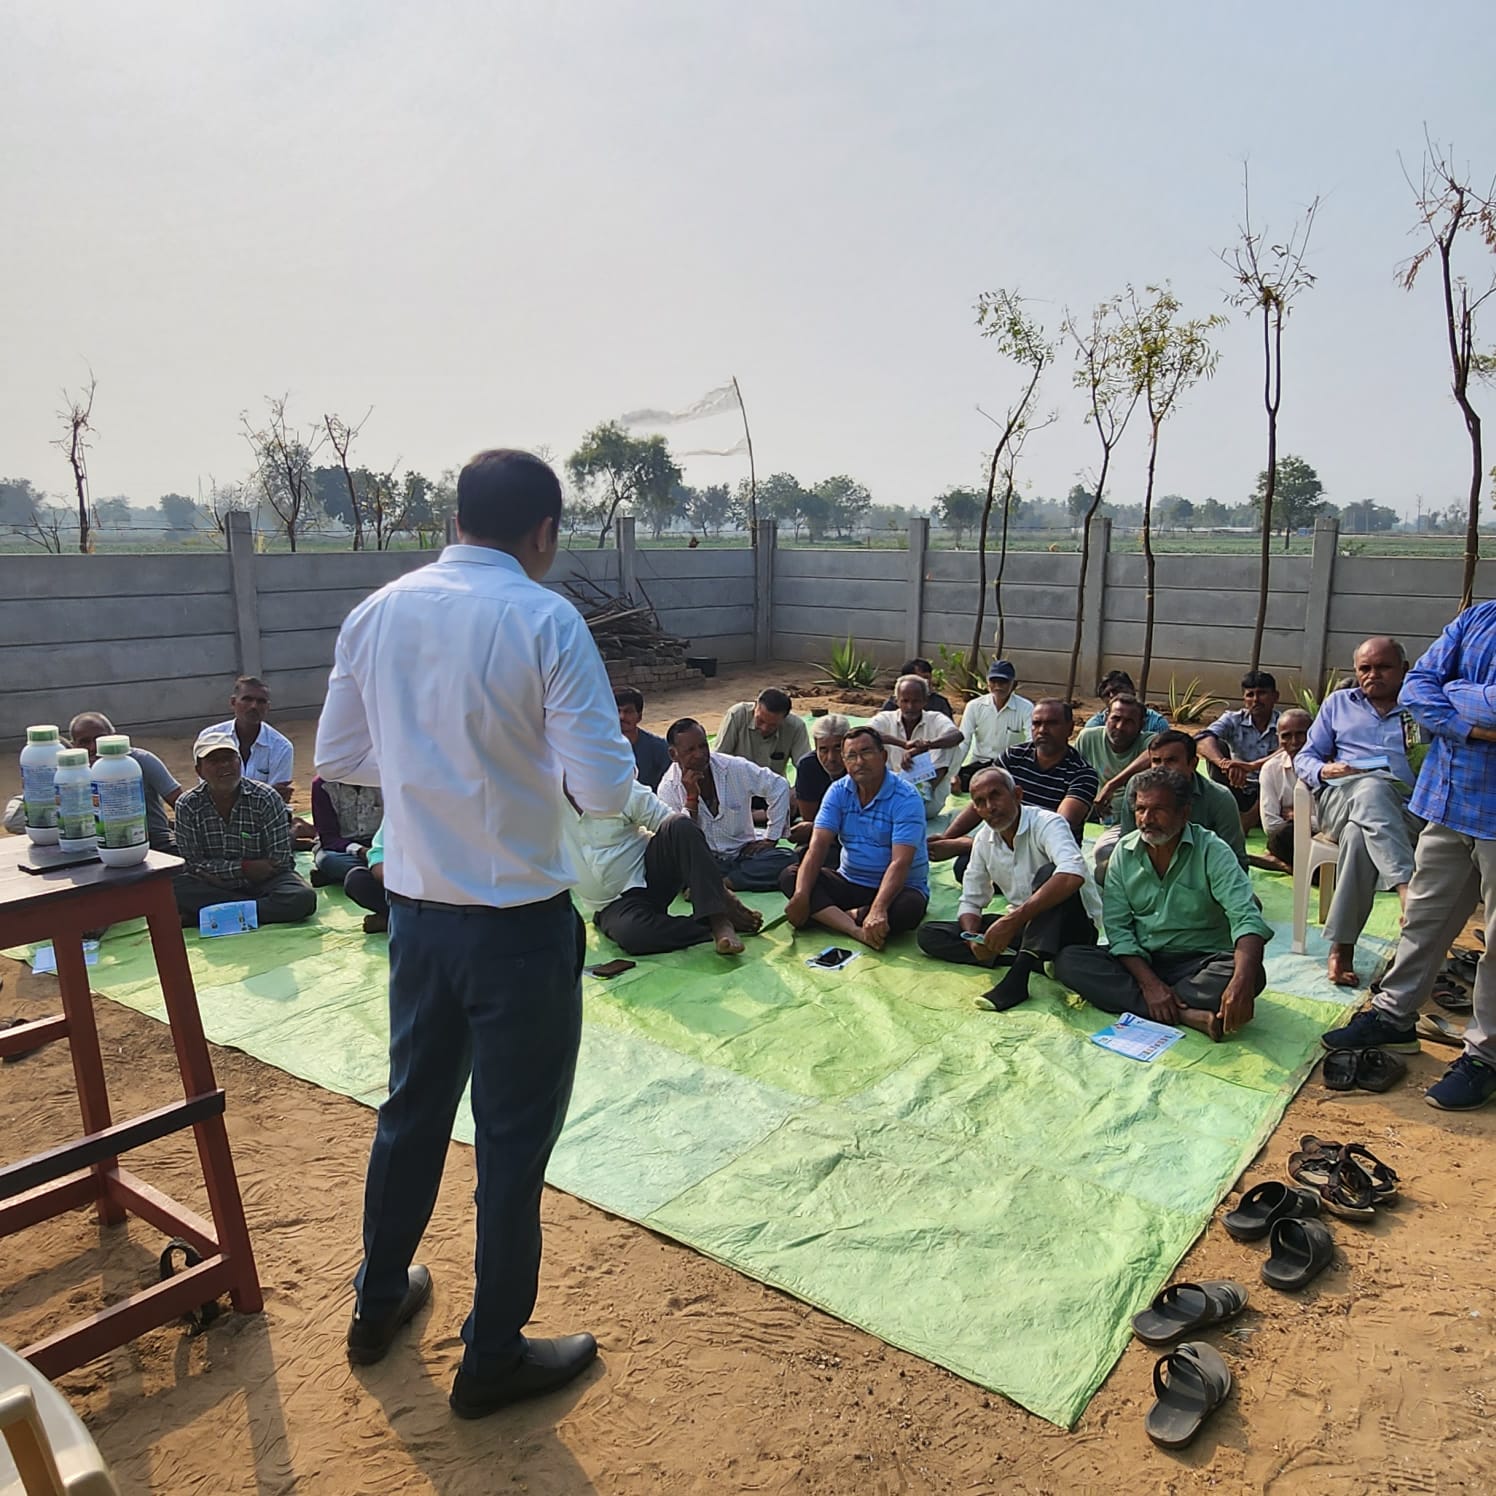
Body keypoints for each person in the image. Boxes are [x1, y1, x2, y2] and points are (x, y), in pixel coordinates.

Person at [315, 448, 638, 1417]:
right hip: (518, 930)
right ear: (543, 531)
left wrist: (433, 760)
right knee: (508, 1143)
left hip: (415, 918)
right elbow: (605, 787)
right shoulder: (545, 617)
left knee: (410, 1109)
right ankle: (490, 1352)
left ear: (456, 516)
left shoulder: (377, 612)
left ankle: (377, 1300)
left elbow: (337, 754)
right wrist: (512, 759)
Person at [1322, 604, 1496, 1109]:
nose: (1373, 676)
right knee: (1423, 919)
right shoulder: (1478, 618)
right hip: (1447, 801)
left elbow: (1430, 692)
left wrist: (1457, 692)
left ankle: (1484, 1055)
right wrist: (1474, 723)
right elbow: (1419, 688)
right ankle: (1395, 1017)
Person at [1054, 768, 1272, 1040]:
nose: (1147, 819)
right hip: (1143, 960)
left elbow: (1247, 918)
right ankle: (1184, 1014)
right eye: (1141, 809)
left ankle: (1156, 1004)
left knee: (1250, 975)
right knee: (1070, 960)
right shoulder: (1124, 852)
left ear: (1184, 813)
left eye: (1158, 810)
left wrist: (1241, 982)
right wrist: (1149, 983)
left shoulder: (1211, 850)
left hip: (1200, 962)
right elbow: (1119, 929)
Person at [916, 766, 1101, 1011]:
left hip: (1072, 927)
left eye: (995, 796)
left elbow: (1073, 873)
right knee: (930, 934)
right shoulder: (985, 839)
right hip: (1026, 927)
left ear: (1017, 795)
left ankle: (1019, 977)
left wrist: (1012, 920)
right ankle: (1037, 961)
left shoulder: (1048, 823)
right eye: (980, 802)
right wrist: (972, 938)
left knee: (1051, 875)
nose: (990, 807)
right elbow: (971, 899)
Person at [1295, 636, 1424, 987]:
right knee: (1371, 786)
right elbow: (1304, 757)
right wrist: (1325, 771)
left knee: (1359, 835)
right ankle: (1405, 888)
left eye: (1383, 667)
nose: (1373, 675)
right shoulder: (1338, 704)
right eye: (1365, 668)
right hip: (1342, 800)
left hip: (1406, 811)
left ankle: (1342, 947)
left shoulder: (1421, 709)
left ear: (1404, 671)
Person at [563, 780, 763, 956]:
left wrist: (719, 891)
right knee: (633, 934)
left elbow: (668, 822)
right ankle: (706, 925)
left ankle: (720, 920)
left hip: (651, 871)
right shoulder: (544, 808)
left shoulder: (614, 786)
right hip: (613, 904)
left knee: (680, 825)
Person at [780, 726, 929, 949]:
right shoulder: (838, 791)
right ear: (845, 762)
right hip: (850, 881)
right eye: (851, 756)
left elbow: (901, 862)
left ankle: (829, 915)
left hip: (898, 888)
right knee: (791, 876)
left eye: (866, 752)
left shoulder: (906, 797)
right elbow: (817, 846)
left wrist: (878, 909)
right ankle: (855, 928)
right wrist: (801, 895)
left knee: (908, 909)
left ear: (884, 756)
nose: (859, 761)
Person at [172, 730, 317, 928]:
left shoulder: (266, 797)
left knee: (301, 898)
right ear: (199, 770)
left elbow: (280, 861)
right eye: (214, 760)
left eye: (229, 758)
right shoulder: (187, 805)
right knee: (174, 888)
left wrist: (229, 873)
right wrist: (244, 868)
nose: (224, 765)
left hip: (264, 882)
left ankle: (213, 916)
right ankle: (240, 913)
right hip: (214, 884)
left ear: (239, 762)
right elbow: (193, 863)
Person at [932, 698, 1099, 869]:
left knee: (1047, 875)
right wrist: (947, 838)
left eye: (1052, 723)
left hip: (1047, 855)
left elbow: (1057, 829)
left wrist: (965, 845)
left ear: (1070, 728)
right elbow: (979, 804)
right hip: (1006, 848)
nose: (1042, 730)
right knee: (964, 866)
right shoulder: (1013, 756)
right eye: (1036, 723)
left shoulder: (1083, 774)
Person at [3, 712, 183, 852]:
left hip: (154, 841)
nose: (93, 747)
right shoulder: (70, 775)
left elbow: (181, 803)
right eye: (84, 742)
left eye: (99, 739)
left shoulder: (140, 761)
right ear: (74, 746)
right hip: (93, 847)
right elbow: (14, 818)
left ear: (114, 736)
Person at [657, 719, 796, 890]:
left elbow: (779, 786)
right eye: (690, 750)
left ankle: (723, 884)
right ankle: (726, 881)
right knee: (673, 872)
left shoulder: (733, 767)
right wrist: (691, 798)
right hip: (703, 861)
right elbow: (679, 840)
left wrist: (772, 838)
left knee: (787, 858)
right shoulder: (668, 788)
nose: (700, 754)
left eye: (703, 746)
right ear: (673, 754)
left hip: (743, 853)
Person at [1093, 730, 1249, 881]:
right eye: (1156, 761)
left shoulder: (1219, 798)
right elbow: (1127, 842)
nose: (1162, 768)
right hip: (1150, 867)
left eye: (1171, 761)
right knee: (1105, 870)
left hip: (1201, 872)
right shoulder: (1137, 786)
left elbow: (1235, 858)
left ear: (1193, 764)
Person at [1196, 671, 1283, 831]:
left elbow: (1293, 749)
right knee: (1216, 748)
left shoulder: (1284, 723)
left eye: (1262, 693)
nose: (1256, 700)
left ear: (1275, 697)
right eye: (1250, 695)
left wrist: (1253, 766)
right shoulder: (1233, 718)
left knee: (1285, 763)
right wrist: (1225, 764)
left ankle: (1249, 819)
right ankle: (1230, 811)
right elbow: (1202, 740)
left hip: (1271, 791)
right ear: (1244, 699)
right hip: (1237, 784)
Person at [869, 675, 964, 818]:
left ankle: (922, 791)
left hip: (926, 805)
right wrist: (904, 744)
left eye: (916, 701)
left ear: (925, 701)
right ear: (896, 701)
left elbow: (957, 735)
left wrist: (927, 746)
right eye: (905, 701)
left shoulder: (935, 718)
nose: (910, 707)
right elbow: (862, 733)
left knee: (950, 745)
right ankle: (907, 792)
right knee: (867, 743)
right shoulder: (885, 718)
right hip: (890, 796)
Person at [205, 676, 294, 802]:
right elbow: (209, 793)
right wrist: (264, 796)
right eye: (247, 699)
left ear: (268, 707)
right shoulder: (210, 738)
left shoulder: (282, 747)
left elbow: (276, 802)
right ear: (233, 702)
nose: (254, 706)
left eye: (261, 701)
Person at [954, 660, 1035, 793]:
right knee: (958, 783)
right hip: (981, 765)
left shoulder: (1026, 708)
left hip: (1010, 767)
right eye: (994, 681)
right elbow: (964, 741)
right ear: (987, 683)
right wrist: (954, 773)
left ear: (1014, 684)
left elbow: (1030, 743)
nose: (998, 686)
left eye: (1003, 682)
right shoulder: (974, 706)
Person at [1076, 695, 1156, 821]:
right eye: (1115, 718)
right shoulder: (1088, 738)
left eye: (1129, 722)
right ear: (1106, 717)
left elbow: (1157, 752)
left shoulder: (1148, 742)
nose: (1120, 727)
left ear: (1141, 724)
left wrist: (1112, 785)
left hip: (1125, 821)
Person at [1257, 708, 1314, 870]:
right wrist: (1309, 819)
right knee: (1281, 837)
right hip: (1292, 838)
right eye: (1286, 736)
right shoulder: (1271, 769)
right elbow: (1271, 826)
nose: (1294, 742)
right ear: (1278, 739)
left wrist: (1297, 816)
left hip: (1325, 838)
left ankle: (1284, 865)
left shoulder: (1327, 768)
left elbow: (1331, 825)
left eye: (1301, 734)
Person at [715, 689, 810, 777]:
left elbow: (806, 766)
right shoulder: (736, 715)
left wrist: (796, 790)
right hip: (737, 785)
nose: (764, 728)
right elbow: (718, 760)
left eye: (772, 725)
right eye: (760, 721)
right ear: (755, 706)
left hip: (774, 789)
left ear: (784, 719)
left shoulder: (796, 726)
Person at [309, 776, 385, 886]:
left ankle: (358, 876)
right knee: (328, 860)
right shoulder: (323, 785)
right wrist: (361, 851)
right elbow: (328, 837)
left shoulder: (385, 778)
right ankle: (381, 874)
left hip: (382, 845)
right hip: (343, 849)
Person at [789, 714, 850, 845]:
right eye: (823, 750)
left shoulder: (860, 765)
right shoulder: (808, 766)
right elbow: (810, 819)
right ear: (815, 747)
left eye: (838, 748)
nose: (831, 758)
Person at [615, 687, 671, 791]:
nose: (621, 717)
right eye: (617, 711)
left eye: (628, 711)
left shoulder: (659, 748)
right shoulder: (600, 749)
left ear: (639, 716)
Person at [1084, 671, 1169, 734]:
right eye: (1106, 694)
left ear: (1132, 690)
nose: (1112, 696)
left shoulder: (1156, 723)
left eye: (1117, 689)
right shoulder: (1094, 726)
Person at [344, 822, 390, 934]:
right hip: (406, 883)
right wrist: (391, 879)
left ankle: (392, 921)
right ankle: (396, 917)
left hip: (436, 886)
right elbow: (378, 853)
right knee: (356, 879)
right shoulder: (401, 810)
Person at [880, 657, 956, 719]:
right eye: (905, 701)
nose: (925, 682)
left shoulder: (940, 703)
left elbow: (949, 732)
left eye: (927, 678)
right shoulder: (892, 704)